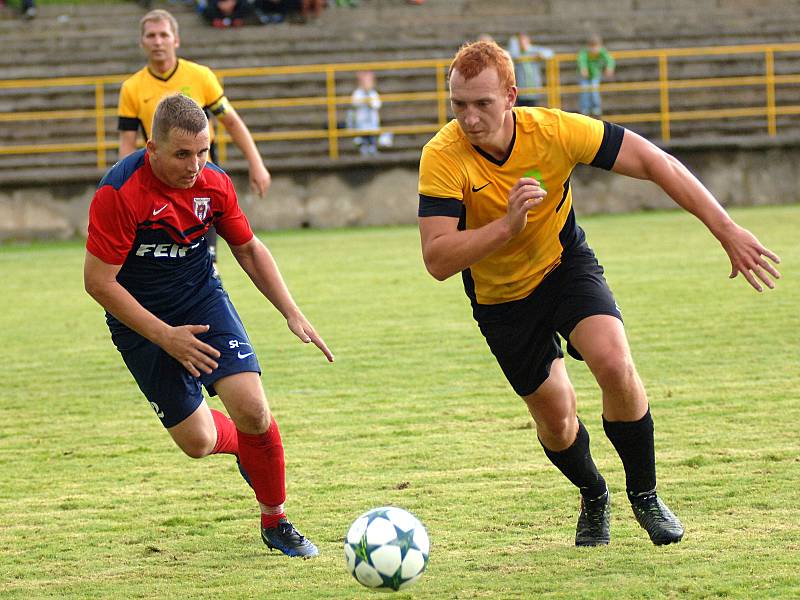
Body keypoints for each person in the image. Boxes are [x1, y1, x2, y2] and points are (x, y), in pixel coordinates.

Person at [417, 41, 781, 547]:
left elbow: (656, 162)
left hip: (565, 268)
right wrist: (506, 226)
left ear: (512, 97)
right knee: (558, 421)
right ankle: (593, 494)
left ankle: (646, 496)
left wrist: (726, 229)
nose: (470, 118)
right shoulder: (441, 156)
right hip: (500, 300)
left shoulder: (556, 131)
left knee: (613, 361)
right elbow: (436, 259)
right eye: (459, 104)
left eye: (482, 103)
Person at [86, 94, 333, 557]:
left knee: (255, 411)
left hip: (201, 300)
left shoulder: (214, 184)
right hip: (139, 320)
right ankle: (243, 446)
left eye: (203, 152)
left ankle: (275, 519)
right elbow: (98, 283)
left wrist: (291, 311)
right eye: (182, 154)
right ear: (151, 149)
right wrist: (166, 338)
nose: (196, 164)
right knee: (198, 442)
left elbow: (249, 248)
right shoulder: (119, 193)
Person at [117, 9, 271, 277]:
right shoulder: (132, 88)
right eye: (151, 36)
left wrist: (256, 163)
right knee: (163, 267)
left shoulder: (200, 76)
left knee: (207, 267)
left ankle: (211, 311)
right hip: (157, 187)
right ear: (142, 42)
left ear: (176, 40)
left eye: (164, 34)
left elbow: (232, 122)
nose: (157, 41)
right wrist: (120, 188)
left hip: (201, 184)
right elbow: (127, 144)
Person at [507, 33, 553, 107]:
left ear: (528, 41)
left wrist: (541, 55)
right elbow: (510, 54)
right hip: (522, 90)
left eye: (524, 41)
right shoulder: (516, 54)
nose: (522, 43)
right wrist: (513, 41)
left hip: (533, 90)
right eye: (520, 42)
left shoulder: (533, 51)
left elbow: (550, 53)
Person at [577, 33, 615, 117]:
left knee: (594, 92)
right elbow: (581, 60)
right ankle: (585, 109)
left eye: (596, 47)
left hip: (595, 75)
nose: (594, 49)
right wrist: (583, 69)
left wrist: (609, 68)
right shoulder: (584, 52)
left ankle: (596, 108)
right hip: (584, 77)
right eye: (592, 47)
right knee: (585, 92)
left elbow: (609, 60)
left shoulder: (602, 52)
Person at [347, 70, 384, 156]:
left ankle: (372, 148)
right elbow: (355, 104)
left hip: (372, 121)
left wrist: (369, 102)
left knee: (372, 136)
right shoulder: (358, 93)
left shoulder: (373, 93)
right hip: (361, 120)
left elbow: (377, 104)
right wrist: (365, 101)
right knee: (363, 136)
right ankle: (364, 149)